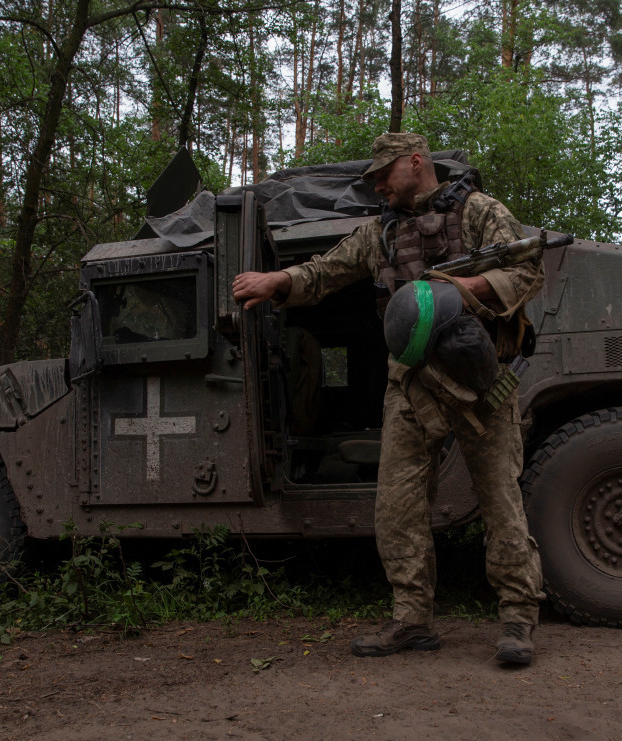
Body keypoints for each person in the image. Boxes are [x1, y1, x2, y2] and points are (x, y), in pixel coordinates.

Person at [232, 133, 544, 665]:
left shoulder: (480, 212)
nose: (377, 184)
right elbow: (325, 272)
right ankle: (412, 621)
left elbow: (526, 272)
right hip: (411, 383)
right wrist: (277, 279)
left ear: (416, 162)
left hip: (476, 377)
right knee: (396, 508)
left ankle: (518, 619)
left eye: (384, 173)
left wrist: (458, 291)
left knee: (500, 502)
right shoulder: (380, 232)